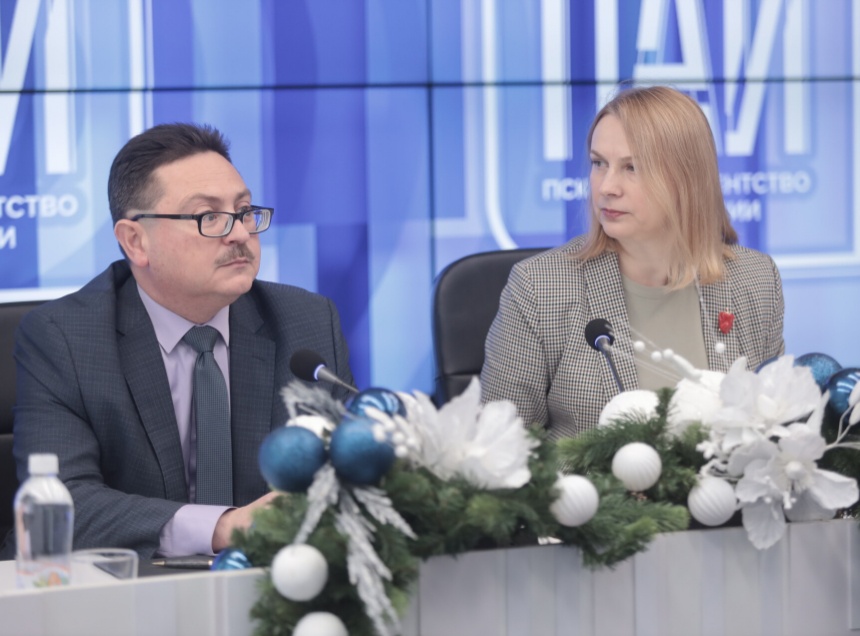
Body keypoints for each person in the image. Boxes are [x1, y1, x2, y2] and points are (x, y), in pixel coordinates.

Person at [8, 123, 354, 559]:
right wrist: (223, 528)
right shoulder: (65, 339)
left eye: (244, 211)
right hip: (128, 588)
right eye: (208, 217)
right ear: (135, 241)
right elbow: (61, 503)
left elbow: (351, 475)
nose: (240, 234)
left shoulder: (307, 322)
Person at [480, 85, 784, 440]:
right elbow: (498, 448)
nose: (606, 187)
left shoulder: (756, 279)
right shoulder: (541, 286)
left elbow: (773, 432)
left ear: (687, 179)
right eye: (599, 163)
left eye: (631, 167)